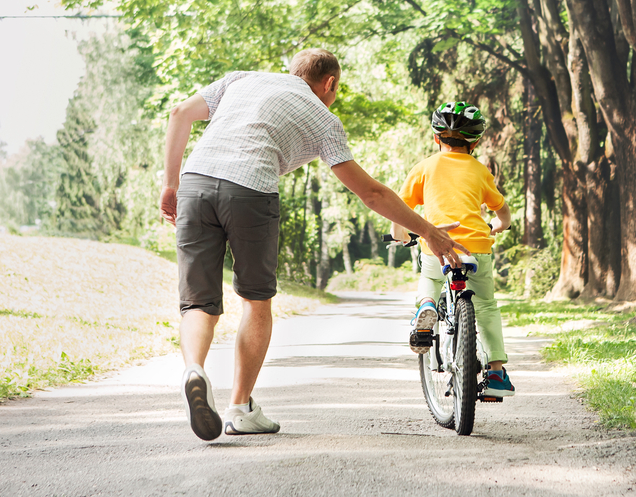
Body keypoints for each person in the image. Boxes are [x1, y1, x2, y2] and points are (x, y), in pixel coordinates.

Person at [159, 49, 466, 441]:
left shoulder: (242, 79)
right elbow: (371, 194)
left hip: (197, 181)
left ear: (293, 72)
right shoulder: (323, 117)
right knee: (255, 300)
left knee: (198, 302)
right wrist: (429, 230)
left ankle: (194, 370)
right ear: (330, 83)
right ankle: (239, 407)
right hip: (251, 191)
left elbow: (179, 113)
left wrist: (171, 184)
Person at [390, 101, 515, 398]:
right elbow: (502, 210)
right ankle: (496, 373)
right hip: (477, 250)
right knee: (485, 305)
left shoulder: (424, 168)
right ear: (476, 141)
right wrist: (500, 225)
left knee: (430, 278)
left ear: (436, 138)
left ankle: (427, 306)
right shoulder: (481, 171)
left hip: (437, 247)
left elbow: (400, 209)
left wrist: (400, 235)